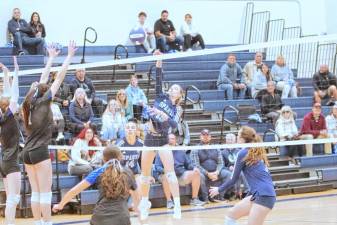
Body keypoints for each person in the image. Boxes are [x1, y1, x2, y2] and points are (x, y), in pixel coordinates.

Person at [21, 41, 76, 225]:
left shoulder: (28, 104)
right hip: (39, 151)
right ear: (44, 93)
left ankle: (38, 223)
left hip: (27, 152)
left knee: (35, 192)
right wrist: (68, 56)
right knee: (45, 193)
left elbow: (43, 80)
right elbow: (59, 78)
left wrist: (51, 58)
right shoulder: (44, 103)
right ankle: (48, 223)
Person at [138, 51, 184, 221]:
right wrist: (159, 60)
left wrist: (164, 116)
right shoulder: (161, 96)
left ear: (179, 95)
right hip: (149, 138)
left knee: (170, 174)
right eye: (172, 87)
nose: (173, 89)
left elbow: (174, 125)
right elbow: (158, 78)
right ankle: (144, 203)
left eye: (177, 89)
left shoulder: (176, 109)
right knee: (144, 176)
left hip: (163, 139)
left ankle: (177, 206)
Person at [53, 146, 139, 225]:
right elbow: (136, 196)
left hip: (100, 218)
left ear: (103, 159)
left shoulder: (97, 172)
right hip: (122, 218)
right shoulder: (128, 172)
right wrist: (137, 209)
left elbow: (74, 191)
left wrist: (60, 205)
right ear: (121, 157)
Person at [210, 126, 276, 225]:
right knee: (231, 215)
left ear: (242, 138)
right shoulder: (255, 152)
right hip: (257, 194)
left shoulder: (243, 153)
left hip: (264, 196)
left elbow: (233, 178)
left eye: (238, 135)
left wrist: (218, 189)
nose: (236, 137)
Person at [154, 133, 205, 208]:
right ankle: (169, 201)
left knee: (196, 173)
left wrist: (194, 168)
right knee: (165, 177)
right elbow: (157, 166)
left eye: (172, 139)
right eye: (169, 139)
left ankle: (194, 199)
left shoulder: (180, 151)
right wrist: (166, 171)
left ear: (175, 141)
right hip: (166, 175)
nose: (170, 140)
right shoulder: (162, 150)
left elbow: (188, 164)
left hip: (180, 175)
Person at [0, 57, 20, 225]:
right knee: (14, 198)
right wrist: (16, 72)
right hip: (10, 161)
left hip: (5, 161)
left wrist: (6, 74)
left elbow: (8, 97)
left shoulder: (4, 117)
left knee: (11, 198)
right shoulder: (9, 116)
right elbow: (14, 95)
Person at [190, 129, 231, 202]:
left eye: (207, 135)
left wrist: (217, 172)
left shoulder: (216, 148)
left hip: (216, 172)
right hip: (203, 173)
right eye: (203, 135)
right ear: (200, 137)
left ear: (210, 137)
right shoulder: (195, 149)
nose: (205, 137)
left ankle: (220, 196)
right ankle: (205, 198)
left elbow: (221, 162)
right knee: (200, 176)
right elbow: (196, 165)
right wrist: (207, 173)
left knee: (228, 174)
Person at [222, 133, 249, 199]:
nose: (230, 141)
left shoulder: (239, 151)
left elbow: (243, 163)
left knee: (240, 173)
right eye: (228, 139)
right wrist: (228, 167)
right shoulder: (222, 152)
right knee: (236, 173)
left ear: (235, 141)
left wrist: (237, 167)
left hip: (239, 169)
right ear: (226, 141)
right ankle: (234, 192)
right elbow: (222, 165)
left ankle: (246, 191)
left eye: (231, 139)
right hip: (228, 169)